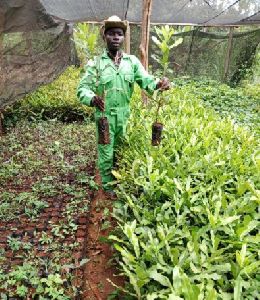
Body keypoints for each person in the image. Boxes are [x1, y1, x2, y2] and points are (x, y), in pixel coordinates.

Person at [77, 16, 170, 194]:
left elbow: (145, 80)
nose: (116, 37)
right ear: (104, 37)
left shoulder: (132, 62)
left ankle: (119, 177)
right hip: (104, 117)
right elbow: (82, 89)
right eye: (111, 33)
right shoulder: (96, 64)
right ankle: (107, 184)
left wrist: (159, 83)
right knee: (106, 150)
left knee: (121, 149)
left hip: (124, 116)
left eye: (119, 34)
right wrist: (92, 98)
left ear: (123, 38)